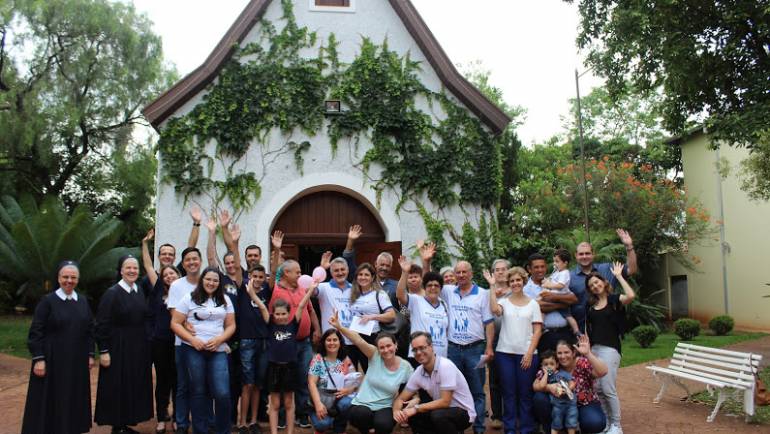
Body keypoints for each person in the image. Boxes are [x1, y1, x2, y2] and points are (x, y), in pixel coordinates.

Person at [22, 261, 95, 434]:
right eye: (65, 277)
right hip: (52, 360)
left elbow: (90, 330)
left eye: (73, 277)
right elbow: (36, 332)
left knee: (73, 397)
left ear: (78, 279)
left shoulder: (83, 301)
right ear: (58, 278)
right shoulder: (48, 301)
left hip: (76, 361)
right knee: (51, 400)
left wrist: (90, 354)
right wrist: (39, 358)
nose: (69, 280)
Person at [170, 267, 236, 434]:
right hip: (193, 349)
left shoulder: (225, 300)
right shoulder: (189, 298)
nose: (211, 283)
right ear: (202, 280)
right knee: (198, 391)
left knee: (222, 393)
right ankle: (201, 430)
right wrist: (192, 339)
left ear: (219, 283)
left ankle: (223, 430)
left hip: (218, 350)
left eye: (215, 280)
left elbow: (231, 325)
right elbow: (175, 323)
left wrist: (220, 339)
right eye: (208, 279)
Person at [268, 236, 322, 429]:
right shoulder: (274, 289)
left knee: (304, 379)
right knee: (282, 382)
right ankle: (281, 418)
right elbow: (274, 270)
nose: (300, 274)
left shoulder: (302, 288)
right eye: (297, 271)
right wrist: (276, 250)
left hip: (304, 341)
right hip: (283, 344)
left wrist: (317, 328)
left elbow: (310, 310)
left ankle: (301, 415)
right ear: (286, 273)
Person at [94, 255, 153, 433]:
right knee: (117, 385)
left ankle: (126, 423)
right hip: (117, 347)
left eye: (135, 268)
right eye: (128, 268)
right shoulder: (112, 293)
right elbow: (101, 324)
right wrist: (103, 350)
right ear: (121, 270)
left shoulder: (139, 290)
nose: (132, 271)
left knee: (132, 384)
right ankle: (117, 426)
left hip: (137, 347)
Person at [329, 311, 413, 434]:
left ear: (396, 345)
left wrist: (414, 401)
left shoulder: (405, 367)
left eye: (389, 346)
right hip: (362, 403)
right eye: (382, 347)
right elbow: (358, 340)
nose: (386, 350)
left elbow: (415, 388)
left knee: (384, 425)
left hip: (385, 406)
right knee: (360, 415)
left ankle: (375, 429)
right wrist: (339, 327)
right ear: (378, 349)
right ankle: (366, 430)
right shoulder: (375, 355)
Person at [250, 279, 315, 434]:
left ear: (288, 313)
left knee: (288, 403)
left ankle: (289, 431)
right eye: (277, 314)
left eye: (283, 314)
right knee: (275, 403)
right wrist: (252, 293)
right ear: (274, 314)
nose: (280, 317)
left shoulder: (293, 324)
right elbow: (261, 306)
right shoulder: (270, 324)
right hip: (274, 367)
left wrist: (310, 290)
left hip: (290, 367)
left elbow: (301, 306)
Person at [484, 266, 542, 434]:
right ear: (509, 283)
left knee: (525, 394)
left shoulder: (533, 304)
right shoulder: (504, 302)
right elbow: (495, 310)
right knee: (508, 394)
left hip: (527, 355)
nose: (516, 283)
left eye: (518, 280)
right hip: (505, 354)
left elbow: (537, 331)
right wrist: (492, 286)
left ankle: (525, 429)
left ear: (523, 281)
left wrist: (529, 353)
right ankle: (509, 428)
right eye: (512, 281)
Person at [440, 260, 495, 434]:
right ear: (454, 275)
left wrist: (489, 347)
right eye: (458, 272)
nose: (461, 275)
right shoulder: (448, 291)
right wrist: (426, 261)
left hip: (475, 349)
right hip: (454, 350)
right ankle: (458, 428)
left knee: (478, 391)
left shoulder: (483, 294)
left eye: (465, 272)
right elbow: (429, 282)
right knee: (454, 390)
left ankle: (479, 428)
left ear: (471, 274)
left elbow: (489, 323)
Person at [586, 263, 636, 434]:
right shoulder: (591, 306)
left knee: (608, 388)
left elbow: (631, 295)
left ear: (604, 282)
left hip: (610, 349)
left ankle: (617, 425)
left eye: (597, 282)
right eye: (591, 285)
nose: (595, 285)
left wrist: (619, 276)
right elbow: (589, 328)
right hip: (595, 350)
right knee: (598, 388)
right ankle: (607, 423)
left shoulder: (614, 300)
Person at [392, 332, 475, 434]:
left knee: (437, 415)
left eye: (422, 348)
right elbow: (400, 399)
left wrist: (416, 408)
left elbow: (445, 402)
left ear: (431, 347)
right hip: (441, 410)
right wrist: (397, 412)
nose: (418, 352)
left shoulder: (445, 366)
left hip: (463, 413)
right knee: (415, 416)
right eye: (415, 350)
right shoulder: (419, 372)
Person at [142, 229, 181, 433]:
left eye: (172, 273)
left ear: (177, 275)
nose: (168, 276)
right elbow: (148, 265)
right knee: (163, 380)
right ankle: (161, 416)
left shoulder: (184, 291)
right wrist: (145, 244)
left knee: (178, 379)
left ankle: (177, 416)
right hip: (160, 341)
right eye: (165, 274)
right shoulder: (157, 288)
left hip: (180, 341)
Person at [532, 336, 608, 434]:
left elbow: (603, 371)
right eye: (559, 353)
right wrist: (549, 387)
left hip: (584, 404)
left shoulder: (581, 362)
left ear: (573, 353)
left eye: (566, 352)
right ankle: (551, 430)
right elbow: (535, 385)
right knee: (539, 398)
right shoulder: (554, 366)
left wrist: (588, 354)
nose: (563, 356)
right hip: (559, 405)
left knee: (595, 422)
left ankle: (580, 429)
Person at [567, 229, 637, 330]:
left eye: (587, 253)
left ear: (593, 254)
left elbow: (632, 269)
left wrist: (629, 247)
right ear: (576, 255)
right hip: (580, 332)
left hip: (608, 330)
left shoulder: (607, 269)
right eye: (581, 254)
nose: (584, 256)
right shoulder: (569, 277)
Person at [167, 246, 205, 433]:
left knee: (202, 386)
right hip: (182, 344)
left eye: (195, 259)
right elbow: (174, 314)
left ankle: (202, 423)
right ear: (183, 264)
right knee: (183, 385)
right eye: (188, 260)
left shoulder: (208, 283)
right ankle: (182, 423)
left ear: (201, 261)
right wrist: (187, 329)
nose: (192, 262)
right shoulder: (177, 285)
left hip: (207, 343)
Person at [396, 256, 448, 365]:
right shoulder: (416, 301)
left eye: (436, 285)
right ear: (424, 287)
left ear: (440, 288)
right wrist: (405, 273)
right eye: (429, 285)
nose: (433, 288)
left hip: (440, 356)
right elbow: (400, 295)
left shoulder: (444, 305)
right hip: (419, 355)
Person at [138, 207, 202, 296]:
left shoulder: (178, 272)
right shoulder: (151, 279)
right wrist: (144, 243)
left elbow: (190, 248)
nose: (167, 256)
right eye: (164, 254)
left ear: (175, 258)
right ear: (158, 257)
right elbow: (148, 266)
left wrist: (196, 223)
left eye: (170, 254)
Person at [239, 265, 272, 433]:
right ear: (249, 276)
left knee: (258, 384)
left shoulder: (267, 290)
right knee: (248, 383)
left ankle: (253, 421)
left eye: (261, 276)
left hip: (264, 342)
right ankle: (242, 422)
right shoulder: (243, 287)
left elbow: (274, 272)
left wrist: (277, 250)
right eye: (255, 276)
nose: (258, 279)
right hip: (247, 341)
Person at [347, 262, 396, 372]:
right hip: (354, 337)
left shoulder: (379, 294)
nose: (363, 277)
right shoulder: (353, 294)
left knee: (371, 370)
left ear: (372, 277)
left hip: (371, 337)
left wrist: (372, 317)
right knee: (354, 370)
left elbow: (391, 315)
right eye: (360, 275)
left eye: (366, 275)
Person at [524, 253, 576, 353]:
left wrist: (553, 296)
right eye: (536, 267)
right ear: (529, 269)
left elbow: (573, 299)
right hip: (544, 336)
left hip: (564, 333)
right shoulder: (526, 289)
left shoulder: (554, 280)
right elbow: (540, 306)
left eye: (542, 267)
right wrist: (562, 304)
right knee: (547, 367)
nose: (540, 270)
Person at [307, 329, 356, 434]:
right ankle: (318, 422)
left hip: (338, 398)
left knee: (348, 402)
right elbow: (311, 383)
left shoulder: (345, 359)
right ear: (324, 342)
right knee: (322, 424)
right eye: (328, 340)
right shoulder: (318, 359)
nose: (332, 343)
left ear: (340, 342)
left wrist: (349, 390)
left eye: (335, 340)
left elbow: (355, 380)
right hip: (322, 398)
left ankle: (339, 428)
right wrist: (318, 404)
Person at [488, 258, 510, 429]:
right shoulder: (487, 292)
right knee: (494, 380)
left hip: (512, 338)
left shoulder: (517, 288)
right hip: (494, 340)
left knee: (510, 379)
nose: (500, 272)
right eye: (497, 270)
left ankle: (511, 414)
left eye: (503, 269)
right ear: (493, 273)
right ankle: (497, 416)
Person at [534, 351, 577, 434]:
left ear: (557, 365)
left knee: (571, 421)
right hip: (557, 405)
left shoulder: (563, 373)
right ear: (542, 366)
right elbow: (542, 386)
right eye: (546, 365)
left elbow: (572, 382)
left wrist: (568, 389)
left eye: (551, 364)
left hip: (569, 403)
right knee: (556, 422)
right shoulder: (542, 375)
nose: (549, 366)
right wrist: (546, 374)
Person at [540, 249, 580, 336]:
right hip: (554, 297)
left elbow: (560, 285)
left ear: (565, 263)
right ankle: (542, 326)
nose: (554, 264)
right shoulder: (557, 273)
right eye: (554, 261)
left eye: (557, 261)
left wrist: (548, 285)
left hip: (559, 296)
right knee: (565, 315)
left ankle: (576, 331)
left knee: (568, 316)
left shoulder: (565, 273)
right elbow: (551, 280)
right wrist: (546, 281)